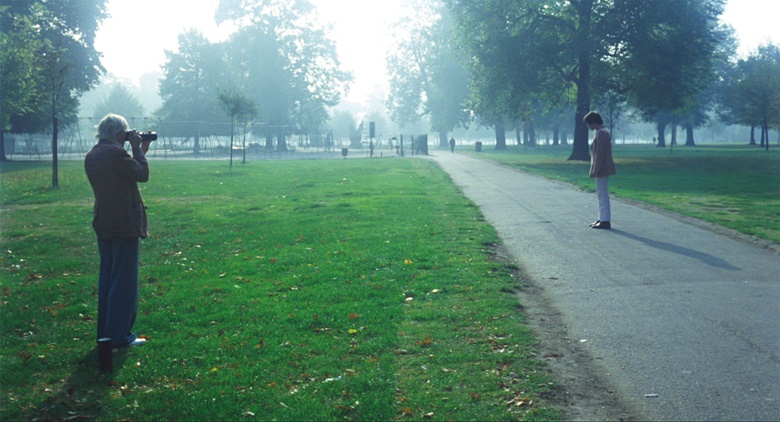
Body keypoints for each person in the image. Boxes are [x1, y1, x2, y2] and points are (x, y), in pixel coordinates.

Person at [85, 114, 152, 348]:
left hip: (105, 221)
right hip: (124, 223)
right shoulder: (116, 153)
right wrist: (137, 148)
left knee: (108, 279)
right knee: (124, 281)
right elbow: (142, 174)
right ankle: (120, 336)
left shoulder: (93, 154)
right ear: (117, 134)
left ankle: (106, 333)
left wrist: (138, 149)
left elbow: (125, 174)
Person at [584, 111, 616, 230]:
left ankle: (605, 220)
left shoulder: (602, 133)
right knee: (601, 193)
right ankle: (602, 218)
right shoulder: (602, 132)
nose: (588, 127)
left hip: (602, 167)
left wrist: (596, 169)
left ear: (593, 122)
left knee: (602, 194)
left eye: (588, 124)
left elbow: (600, 154)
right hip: (602, 166)